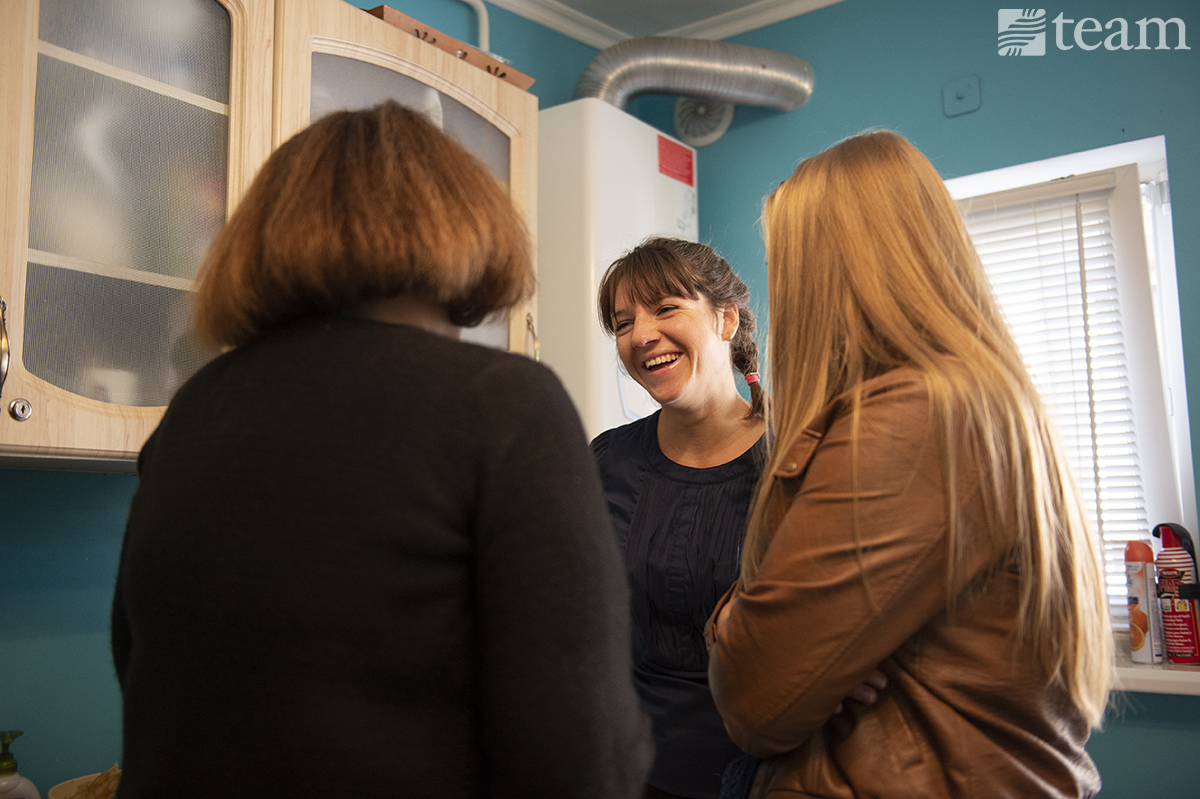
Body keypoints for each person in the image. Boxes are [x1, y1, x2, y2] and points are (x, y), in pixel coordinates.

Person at [110, 101, 653, 799]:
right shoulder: (502, 402)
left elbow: (140, 664)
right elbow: (582, 755)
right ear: (463, 226)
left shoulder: (193, 408)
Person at [705, 130, 1114, 798]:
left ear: (833, 266)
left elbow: (755, 698)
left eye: (789, 263)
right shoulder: (967, 401)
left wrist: (741, 628)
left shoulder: (920, 414)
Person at [591, 238, 766, 799]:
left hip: (764, 774)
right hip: (630, 770)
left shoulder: (797, 459)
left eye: (666, 308)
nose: (641, 335)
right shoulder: (605, 460)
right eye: (623, 323)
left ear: (726, 319)